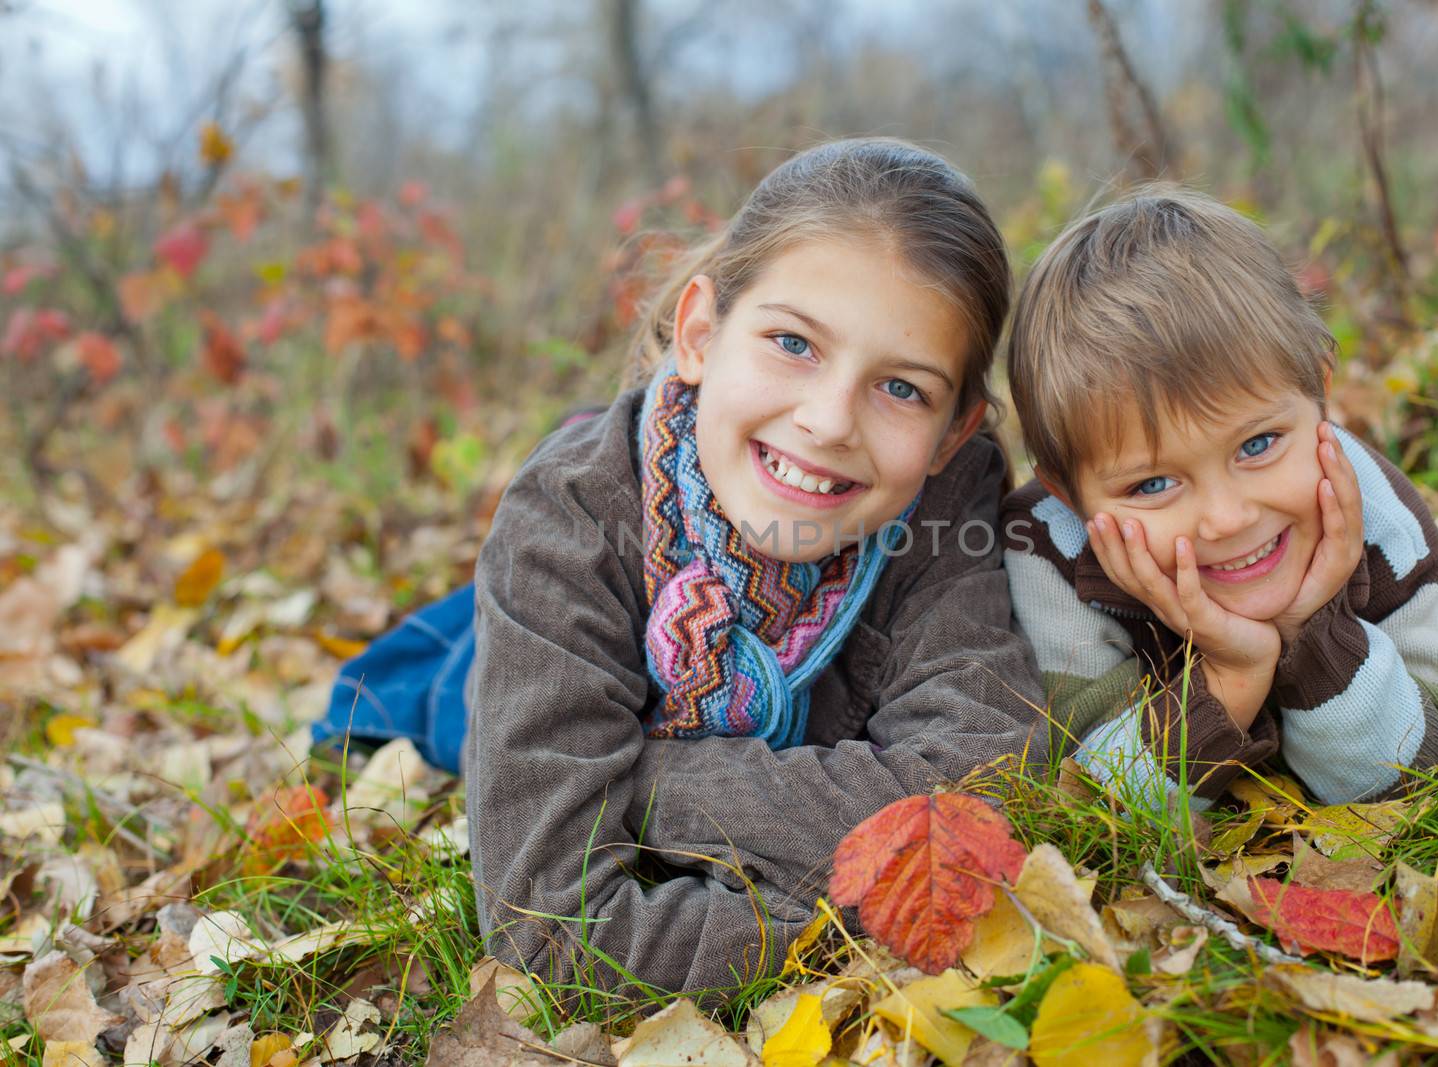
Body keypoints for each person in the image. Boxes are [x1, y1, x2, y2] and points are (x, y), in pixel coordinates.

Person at [323, 138, 1046, 998]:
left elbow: (979, 784)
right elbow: (552, 932)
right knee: (459, 672)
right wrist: (847, 917)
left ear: (952, 434)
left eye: (902, 389)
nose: (827, 420)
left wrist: (654, 779)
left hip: (651, 666)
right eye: (793, 342)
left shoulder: (946, 494)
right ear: (701, 333)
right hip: (485, 666)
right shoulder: (567, 525)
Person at [1001, 186, 1438, 813]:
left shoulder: (1375, 512)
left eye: (1258, 445)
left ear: (1320, 394)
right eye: (1152, 484)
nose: (1229, 518)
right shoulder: (1048, 551)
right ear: (1069, 494)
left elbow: (1433, 777)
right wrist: (1231, 677)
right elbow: (1094, 812)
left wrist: (1314, 636)